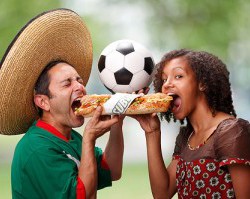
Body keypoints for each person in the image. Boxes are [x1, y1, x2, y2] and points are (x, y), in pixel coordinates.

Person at [0, 9, 124, 198]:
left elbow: (113, 169)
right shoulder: (37, 147)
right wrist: (90, 139)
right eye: (67, 83)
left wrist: (117, 120)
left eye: (79, 80)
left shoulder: (72, 138)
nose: (80, 87)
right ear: (43, 102)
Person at [131, 49, 250, 198]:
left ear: (203, 83)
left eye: (178, 76)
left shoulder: (231, 131)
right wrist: (151, 132)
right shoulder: (186, 137)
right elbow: (162, 194)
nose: (166, 85)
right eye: (164, 79)